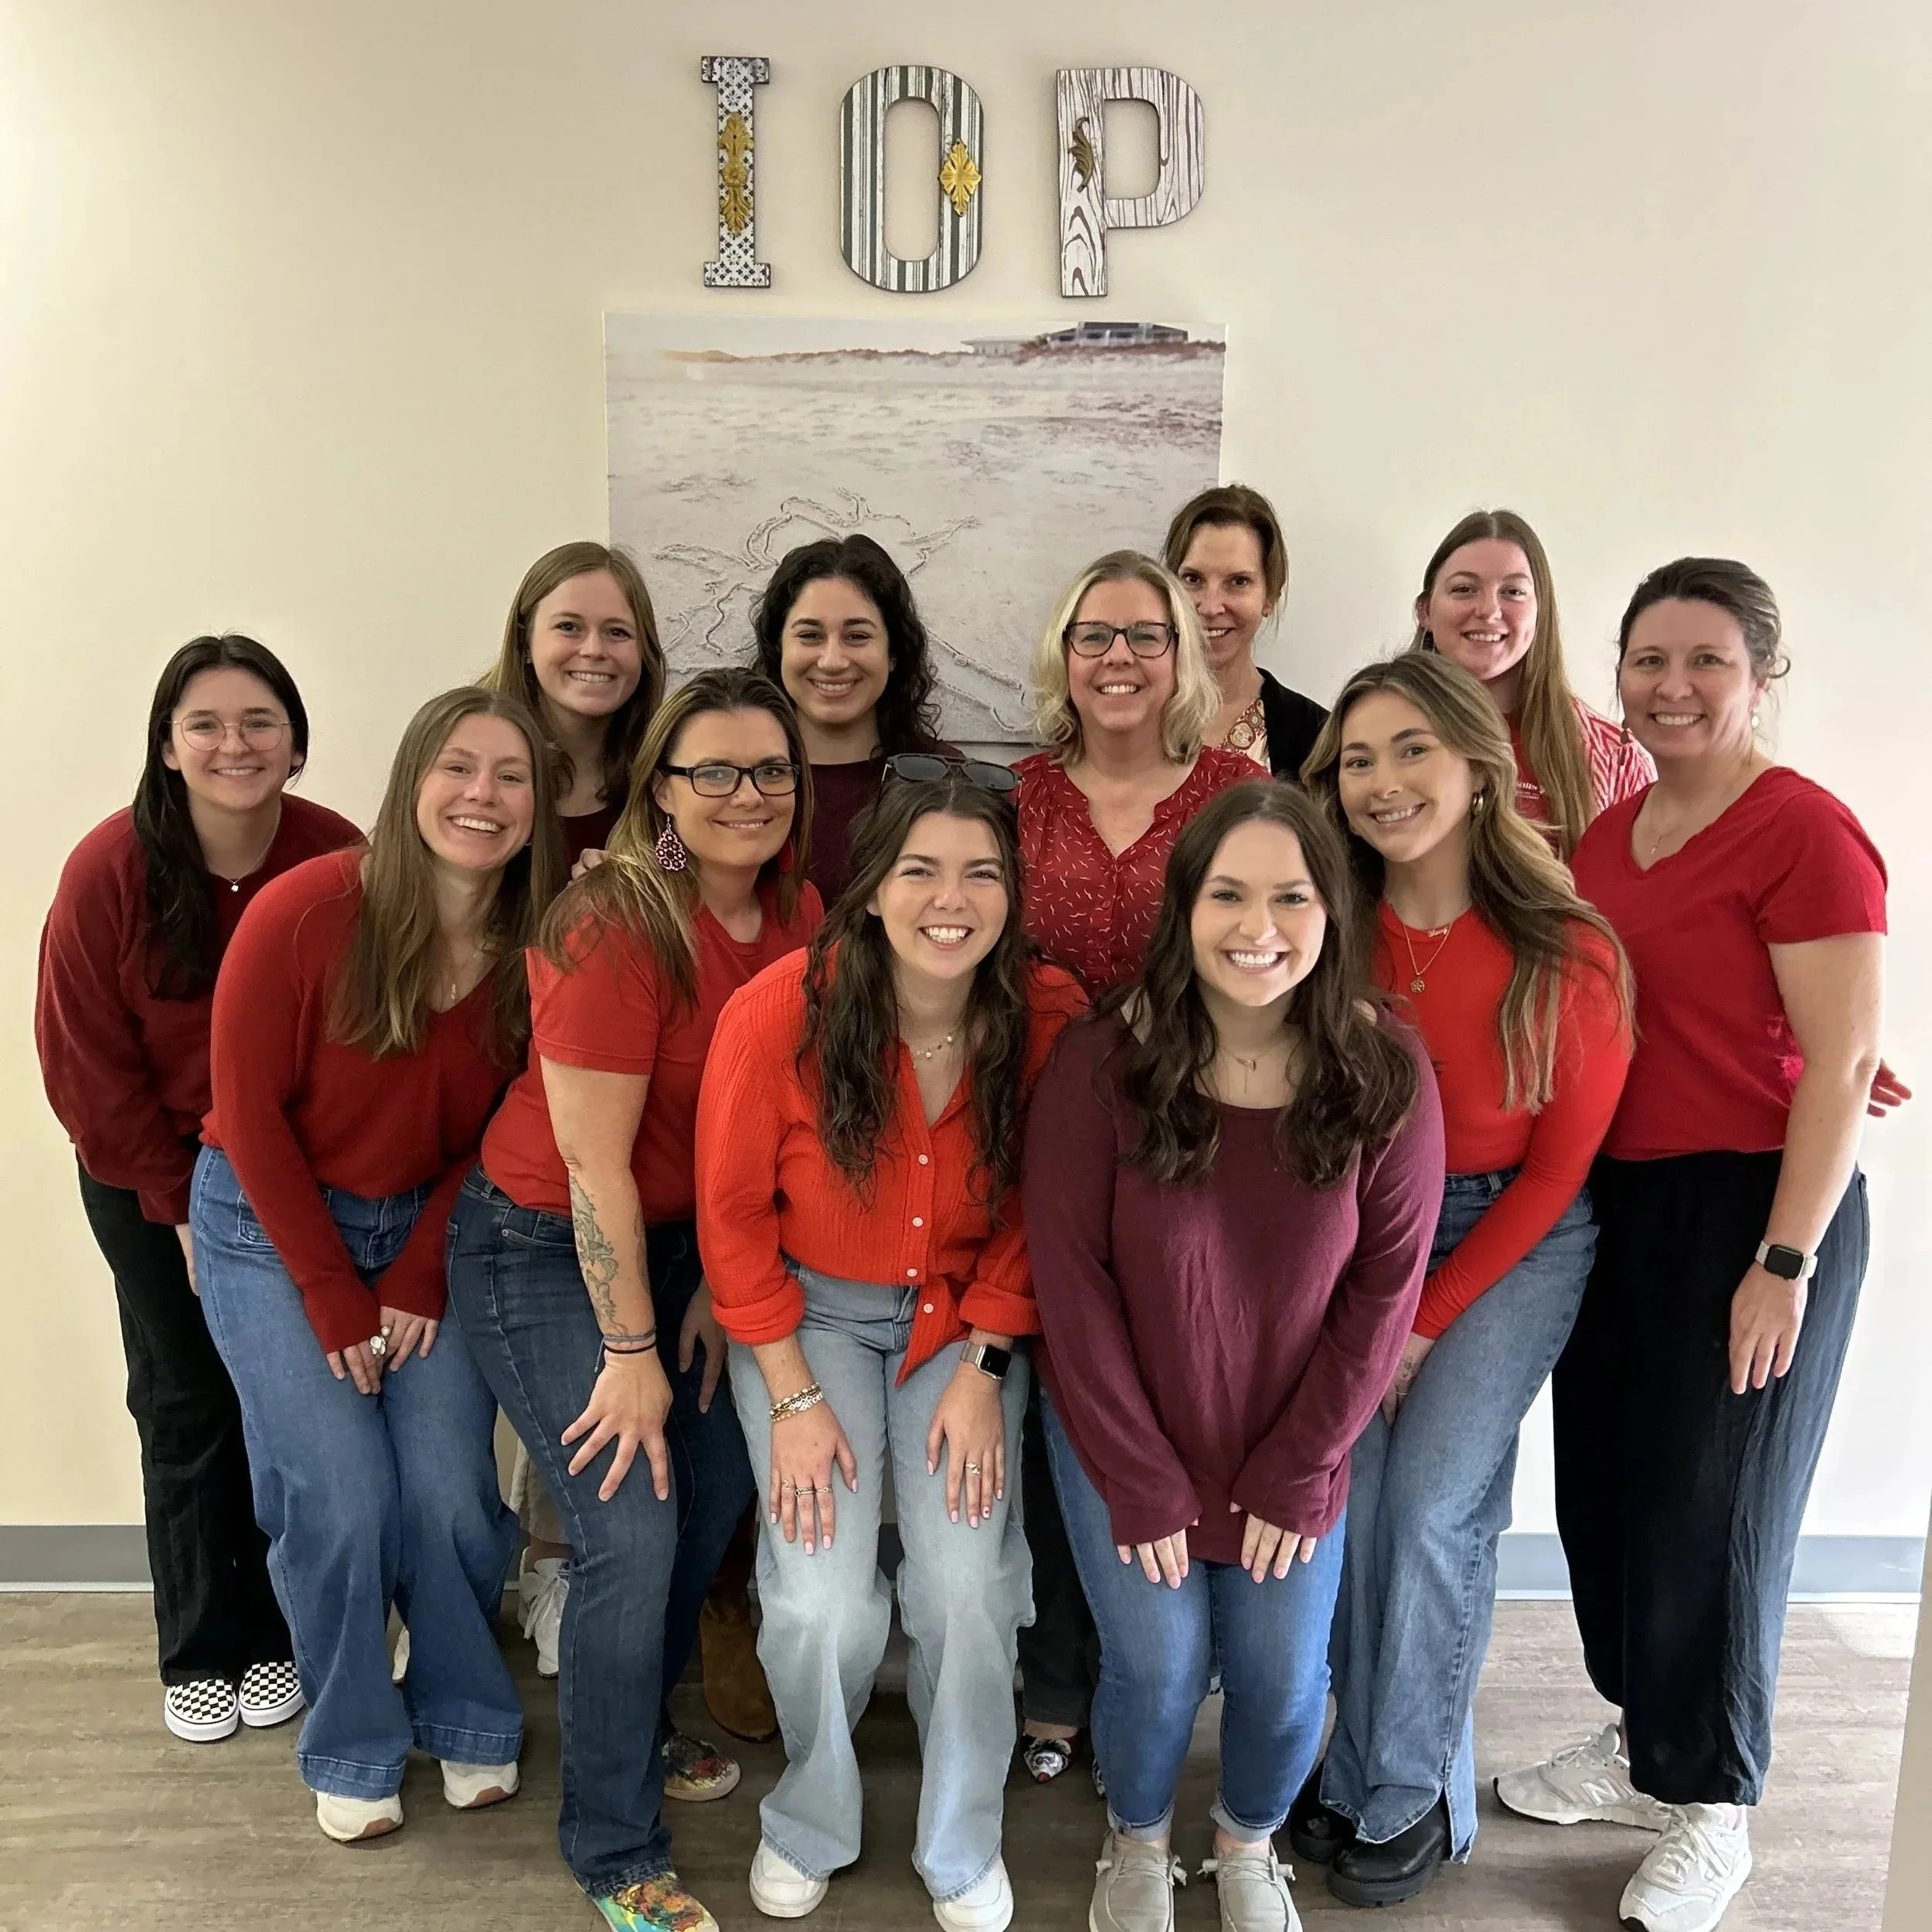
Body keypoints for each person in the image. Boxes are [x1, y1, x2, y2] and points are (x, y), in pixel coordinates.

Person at [1498, 560, 1886, 1932]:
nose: (1672, 686)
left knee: (1714, 1515)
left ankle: (1712, 1804)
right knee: (1606, 1491)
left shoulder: (1805, 831)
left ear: (1763, 676)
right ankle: (1639, 1746)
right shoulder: (1614, 836)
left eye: (1705, 661)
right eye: (1649, 660)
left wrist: (1782, 1262)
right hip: (1629, 1203)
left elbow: (1841, 1067)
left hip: (1759, 1206)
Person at [1025, 780, 1444, 1932]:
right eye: (1229, 895)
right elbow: (1072, 1287)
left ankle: (1247, 1844)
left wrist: (1304, 1462)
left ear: (1332, 913)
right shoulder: (1100, 1063)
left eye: (1291, 898)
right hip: (1128, 1427)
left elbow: (1383, 1293)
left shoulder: (1386, 1072)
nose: (1259, 927)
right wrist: (1141, 1473)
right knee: (1156, 1670)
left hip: (1292, 1432)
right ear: (1184, 907)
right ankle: (1139, 1837)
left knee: (1279, 1680)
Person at [445, 668, 817, 1932]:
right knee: (627, 1528)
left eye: (768, 769)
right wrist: (631, 1348)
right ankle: (613, 1845)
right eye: (710, 768)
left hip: (680, 1247)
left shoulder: (802, 916)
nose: (744, 793)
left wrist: (715, 1278)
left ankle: (636, 1729)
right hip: (542, 1246)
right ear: (659, 784)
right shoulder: (614, 920)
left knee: (706, 1494)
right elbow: (595, 1162)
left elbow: (774, 1130)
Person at [696, 770, 1087, 1932]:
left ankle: (961, 1840)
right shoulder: (779, 1013)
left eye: (980, 872)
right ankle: (812, 1815)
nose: (949, 898)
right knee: (818, 1599)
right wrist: (792, 1393)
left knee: (967, 1585)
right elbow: (730, 1220)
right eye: (919, 869)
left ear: (1013, 893)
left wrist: (986, 1364)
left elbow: (1045, 1209)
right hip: (806, 1317)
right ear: (869, 889)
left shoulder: (1050, 1013)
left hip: (963, 1324)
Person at [189, 686, 562, 1845]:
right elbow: (247, 1118)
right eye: (458, 768)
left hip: (430, 1234)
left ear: (539, 807)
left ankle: (461, 1708)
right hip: (270, 1228)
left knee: (450, 1493)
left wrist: (409, 1272)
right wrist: (332, 1285)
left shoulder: (542, 946)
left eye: (510, 777)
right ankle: (351, 1734)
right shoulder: (308, 910)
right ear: (412, 784)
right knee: (340, 1502)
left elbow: (508, 1122)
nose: (482, 797)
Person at [1289, 652, 1631, 1906]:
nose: (1382, 783)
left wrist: (1420, 1328)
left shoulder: (1568, 945)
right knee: (1349, 1494)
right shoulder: (1326, 931)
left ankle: (1412, 1791)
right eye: (1358, 760)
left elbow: (1553, 1177)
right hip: (1365, 1234)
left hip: (1514, 1243)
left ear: (1477, 768)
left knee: (1436, 1504)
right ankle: (1348, 1765)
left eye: (1409, 751)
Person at [36, 634, 360, 1745]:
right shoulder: (108, 869)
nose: (236, 744)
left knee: (293, 1404)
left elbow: (367, 1036)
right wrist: (180, 1207)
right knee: (186, 1404)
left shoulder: (337, 857)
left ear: (297, 743)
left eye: (260, 722)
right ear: (168, 747)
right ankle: (203, 1645)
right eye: (207, 725)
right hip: (146, 1177)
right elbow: (84, 1063)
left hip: (296, 1177)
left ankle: (281, 1636)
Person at [1011, 548, 1255, 1781]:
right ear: (1064, 654)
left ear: (1184, 654)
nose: (1119, 658)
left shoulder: (1233, 789)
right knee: (1072, 1406)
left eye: (1146, 635)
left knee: (1192, 1400)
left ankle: (1162, 1684)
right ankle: (1059, 1681)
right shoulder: (1014, 799)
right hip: (1047, 1145)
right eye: (1094, 635)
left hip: (1205, 1150)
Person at [1410, 508, 1652, 855]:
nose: (1488, 611)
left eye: (1513, 592)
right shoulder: (1370, 733)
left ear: (1541, 611)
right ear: (1425, 611)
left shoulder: (1614, 759)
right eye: (1464, 589)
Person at [751, 532, 953, 906]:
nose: (832, 661)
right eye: (810, 635)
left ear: (893, 653)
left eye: (857, 636)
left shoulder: (948, 778)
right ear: (779, 649)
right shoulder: (735, 781)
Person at [482, 539, 664, 866]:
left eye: (618, 632)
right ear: (525, 642)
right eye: (569, 627)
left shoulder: (668, 778)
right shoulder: (467, 764)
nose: (594, 650)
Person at [1162, 484, 1328, 777]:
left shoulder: (1317, 737)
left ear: (1270, 596)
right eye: (1193, 579)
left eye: (1238, 582)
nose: (1211, 607)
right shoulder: (1128, 712)